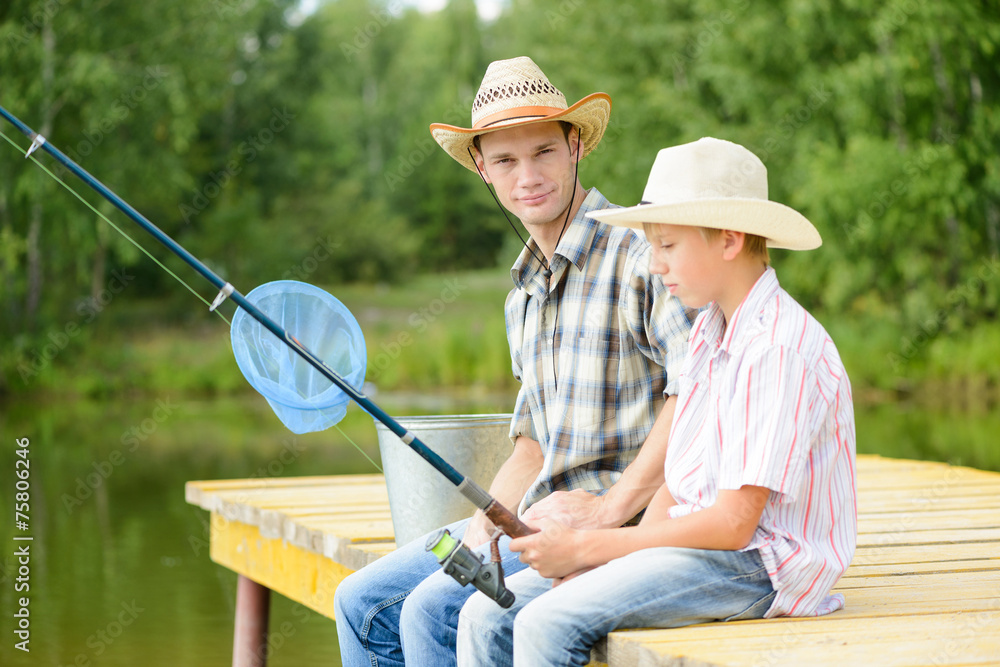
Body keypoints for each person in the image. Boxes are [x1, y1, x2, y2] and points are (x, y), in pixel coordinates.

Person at [334, 57, 696, 666]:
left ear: (574, 145)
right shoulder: (521, 297)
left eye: (543, 153)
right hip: (534, 517)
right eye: (505, 160)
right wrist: (484, 524)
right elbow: (531, 443)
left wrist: (609, 511)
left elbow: (696, 390)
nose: (528, 176)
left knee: (431, 611)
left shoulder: (639, 257)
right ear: (482, 167)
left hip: (623, 523)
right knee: (360, 601)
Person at [457, 137, 858, 666]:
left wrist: (586, 550)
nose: (654, 263)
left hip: (757, 565)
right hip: (696, 550)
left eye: (666, 246)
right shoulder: (711, 332)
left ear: (730, 240)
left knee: (548, 621)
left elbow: (735, 524)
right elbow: (679, 478)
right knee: (485, 614)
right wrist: (618, 562)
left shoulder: (774, 348)